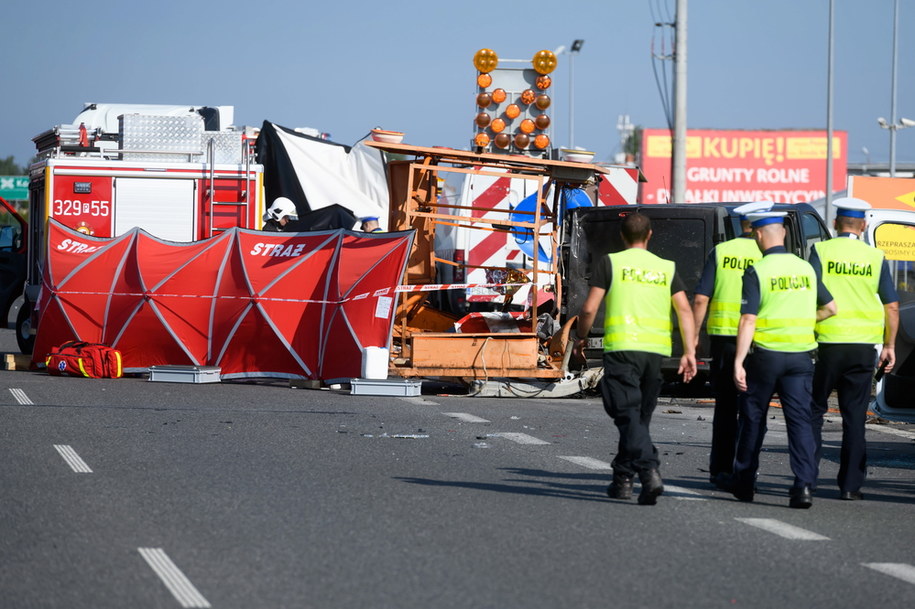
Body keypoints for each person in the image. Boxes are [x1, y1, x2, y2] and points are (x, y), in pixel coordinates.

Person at [574, 212, 697, 506]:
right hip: (655, 353)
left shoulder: (612, 263)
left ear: (622, 236)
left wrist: (581, 337)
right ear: (650, 235)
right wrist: (690, 351)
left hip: (622, 349)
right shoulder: (665, 267)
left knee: (626, 414)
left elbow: (590, 308)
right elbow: (684, 310)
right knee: (637, 419)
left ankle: (649, 468)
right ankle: (622, 481)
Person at [730, 209, 836, 509]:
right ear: (785, 233)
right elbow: (831, 308)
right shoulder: (806, 269)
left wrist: (739, 360)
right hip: (801, 358)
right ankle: (803, 486)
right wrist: (805, 319)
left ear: (760, 235)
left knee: (753, 419)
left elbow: (748, 319)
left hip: (766, 357)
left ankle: (744, 482)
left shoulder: (758, 270)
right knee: (800, 422)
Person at [809, 197, 899, 501]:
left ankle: (807, 479)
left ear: (835, 224)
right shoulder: (875, 257)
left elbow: (809, 292)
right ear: (862, 226)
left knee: (813, 414)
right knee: (854, 417)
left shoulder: (820, 250)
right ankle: (849, 486)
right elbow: (892, 306)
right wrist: (889, 345)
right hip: (863, 349)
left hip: (826, 345)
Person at [692, 201, 771, 488]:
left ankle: (721, 471)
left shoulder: (722, 252)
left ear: (740, 224)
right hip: (760, 341)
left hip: (725, 341)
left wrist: (695, 336)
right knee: (754, 407)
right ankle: (747, 468)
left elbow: (701, 298)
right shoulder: (769, 255)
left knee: (725, 407)